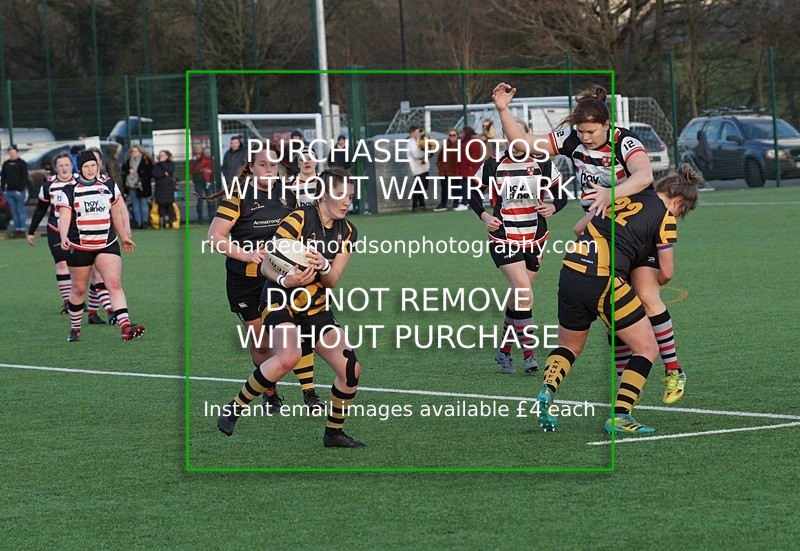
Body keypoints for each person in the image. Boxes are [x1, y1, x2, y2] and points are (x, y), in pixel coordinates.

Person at [494, 84, 685, 403]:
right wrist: (503, 110)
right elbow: (523, 143)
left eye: (591, 131)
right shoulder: (572, 141)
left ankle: (674, 371)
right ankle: (625, 392)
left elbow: (644, 176)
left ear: (607, 126)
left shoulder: (626, 142)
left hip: (634, 229)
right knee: (618, 315)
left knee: (648, 296)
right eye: (581, 131)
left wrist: (611, 194)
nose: (584, 137)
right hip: (601, 236)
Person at [533, 165, 701, 434]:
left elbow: (578, 228)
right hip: (604, 279)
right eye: (681, 212)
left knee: (569, 347)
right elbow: (667, 273)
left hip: (570, 272)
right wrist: (644, 276)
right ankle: (621, 415)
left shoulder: (620, 196)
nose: (677, 216)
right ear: (679, 202)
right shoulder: (664, 217)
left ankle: (547, 390)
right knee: (647, 348)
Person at [217, 167, 365, 448]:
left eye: (351, 196)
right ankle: (234, 407)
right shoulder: (298, 219)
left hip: (315, 307)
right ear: (323, 194)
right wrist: (287, 279)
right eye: (340, 195)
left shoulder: (347, 232)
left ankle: (333, 434)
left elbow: (332, 280)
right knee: (289, 355)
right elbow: (266, 263)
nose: (347, 201)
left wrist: (323, 265)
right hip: (279, 299)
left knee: (350, 370)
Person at [206, 142, 324, 413]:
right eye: (263, 165)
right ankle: (268, 388)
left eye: (273, 165)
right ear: (251, 167)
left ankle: (309, 393)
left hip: (281, 278)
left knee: (296, 332)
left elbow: (303, 230)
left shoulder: (288, 194)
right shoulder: (239, 195)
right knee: (262, 344)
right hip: (245, 280)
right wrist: (247, 255)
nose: (270, 170)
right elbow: (215, 237)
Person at [470, 117, 567, 375]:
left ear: (527, 135)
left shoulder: (543, 163)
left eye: (517, 134)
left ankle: (503, 352)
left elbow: (562, 195)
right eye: (508, 135)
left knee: (518, 297)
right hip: (504, 237)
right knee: (524, 292)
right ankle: (529, 355)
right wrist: (486, 217)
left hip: (535, 237)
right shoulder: (493, 164)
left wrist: (553, 207)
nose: (512, 139)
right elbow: (472, 192)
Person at [56, 150, 144, 343]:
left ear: (98, 166)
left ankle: (125, 326)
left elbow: (116, 214)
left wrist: (124, 236)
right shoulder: (69, 191)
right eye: (86, 166)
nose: (90, 169)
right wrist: (63, 236)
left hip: (107, 244)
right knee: (79, 289)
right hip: (79, 247)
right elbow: (64, 216)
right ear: (79, 168)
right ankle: (75, 328)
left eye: (93, 165)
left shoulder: (108, 185)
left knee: (114, 283)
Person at [26, 152, 76, 313]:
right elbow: (41, 208)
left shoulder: (80, 181)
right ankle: (68, 302)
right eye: (60, 165)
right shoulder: (48, 185)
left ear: (72, 165)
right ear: (56, 168)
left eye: (67, 164)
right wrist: (31, 231)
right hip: (55, 228)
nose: (64, 168)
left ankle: (79, 299)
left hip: (77, 229)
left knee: (79, 267)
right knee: (62, 264)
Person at [121, 145, 154, 230]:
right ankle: (137, 222)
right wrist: (129, 170)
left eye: (135, 151)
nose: (133, 153)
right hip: (132, 185)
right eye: (132, 151)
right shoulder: (128, 160)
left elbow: (150, 172)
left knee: (143, 203)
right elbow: (123, 169)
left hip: (142, 186)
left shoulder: (146, 160)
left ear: (140, 151)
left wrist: (141, 176)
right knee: (135, 204)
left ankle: (144, 222)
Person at [1, 145, 29, 237]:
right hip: (9, 192)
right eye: (10, 153)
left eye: (13, 152)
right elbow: (3, 178)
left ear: (17, 152)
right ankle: (17, 229)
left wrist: (20, 190)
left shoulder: (22, 163)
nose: (12, 154)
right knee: (13, 211)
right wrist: (3, 190)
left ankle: (22, 229)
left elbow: (25, 178)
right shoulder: (6, 164)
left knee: (20, 210)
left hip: (19, 192)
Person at [454, 127, 484, 211]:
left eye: (462, 132)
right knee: (465, 187)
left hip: (470, 169)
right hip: (464, 169)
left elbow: (475, 156)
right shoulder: (464, 142)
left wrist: (470, 166)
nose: (461, 134)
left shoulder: (473, 142)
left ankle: (465, 203)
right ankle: (466, 202)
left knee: (469, 188)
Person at [433, 128, 460, 212]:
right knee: (444, 188)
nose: (452, 137)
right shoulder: (446, 144)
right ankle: (443, 203)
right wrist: (440, 166)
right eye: (450, 135)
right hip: (444, 171)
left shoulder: (459, 145)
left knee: (455, 188)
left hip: (455, 171)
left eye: (454, 135)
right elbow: (440, 157)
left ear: (457, 136)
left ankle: (456, 203)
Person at [406, 125, 429, 211]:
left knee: (423, 186)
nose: (418, 133)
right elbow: (415, 154)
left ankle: (421, 204)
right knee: (419, 186)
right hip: (417, 168)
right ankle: (415, 205)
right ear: (412, 133)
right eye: (417, 132)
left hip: (423, 167)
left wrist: (427, 152)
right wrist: (424, 155)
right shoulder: (411, 143)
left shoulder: (418, 140)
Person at [152, 150, 177, 229]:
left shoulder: (171, 164)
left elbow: (170, 170)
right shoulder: (156, 165)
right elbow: (155, 174)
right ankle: (162, 222)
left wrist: (163, 164)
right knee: (161, 205)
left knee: (169, 205)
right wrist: (164, 174)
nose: (161, 157)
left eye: (163, 155)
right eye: (160, 155)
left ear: (167, 156)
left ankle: (171, 221)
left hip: (169, 187)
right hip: (160, 188)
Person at [190, 144, 213, 223]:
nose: (198, 149)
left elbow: (212, 168)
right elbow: (191, 171)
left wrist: (209, 171)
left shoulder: (207, 159)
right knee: (199, 199)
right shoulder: (192, 160)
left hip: (208, 181)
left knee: (209, 199)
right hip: (198, 181)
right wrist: (202, 170)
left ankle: (211, 218)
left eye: (199, 148)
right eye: (196, 148)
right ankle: (200, 218)